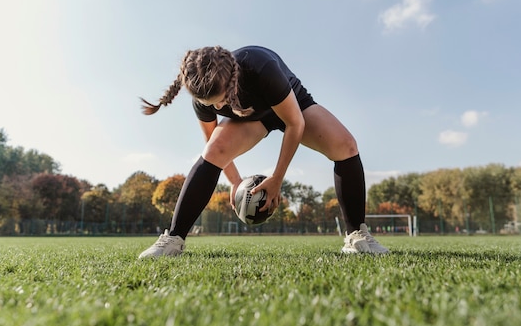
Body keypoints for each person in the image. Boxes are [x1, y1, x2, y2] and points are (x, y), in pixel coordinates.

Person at [138, 45, 389, 258]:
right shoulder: (203, 94)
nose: (218, 106)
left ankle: (357, 235)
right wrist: (235, 182)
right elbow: (211, 143)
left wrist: (277, 179)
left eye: (222, 97)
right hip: (250, 118)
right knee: (216, 149)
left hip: (293, 107)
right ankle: (173, 239)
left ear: (231, 80)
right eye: (210, 104)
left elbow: (295, 123)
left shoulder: (260, 67)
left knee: (346, 145)